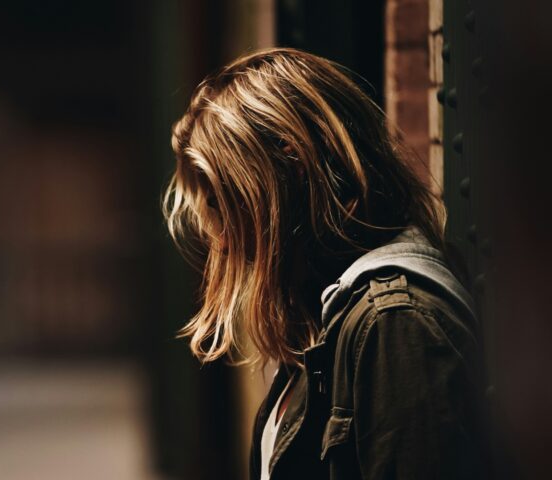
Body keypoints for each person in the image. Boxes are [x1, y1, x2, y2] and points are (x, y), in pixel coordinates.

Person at [162, 48, 490, 479]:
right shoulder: (329, 320)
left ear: (291, 165)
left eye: (223, 205)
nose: (220, 242)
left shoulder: (394, 323)